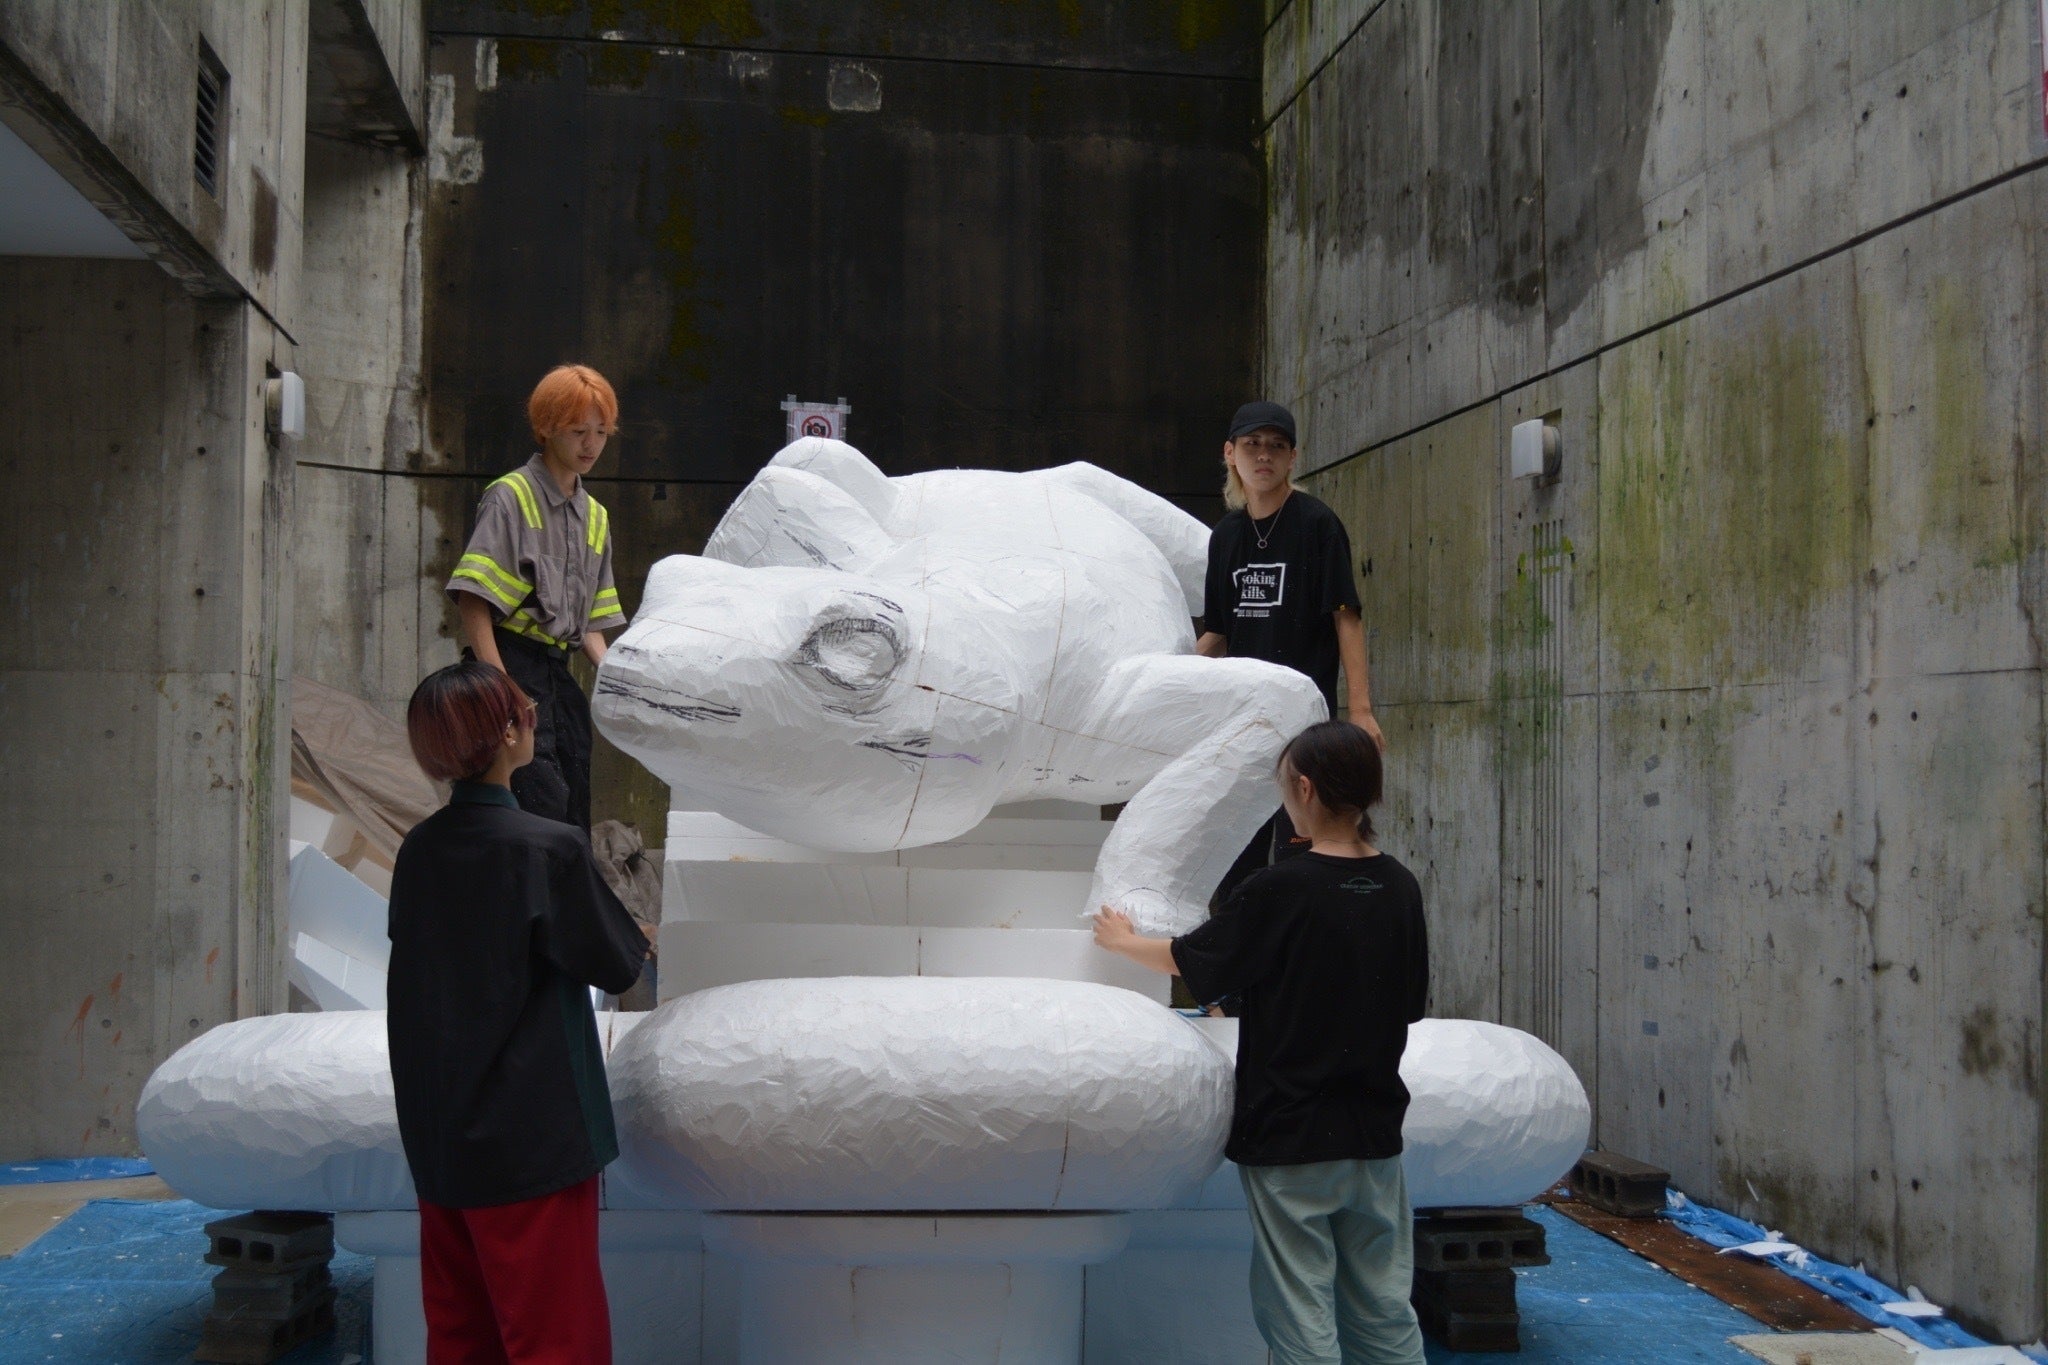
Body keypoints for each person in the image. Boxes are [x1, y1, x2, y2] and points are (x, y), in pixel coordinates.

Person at [1093, 720, 1428, 1365]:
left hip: (1291, 1133)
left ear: (1304, 788)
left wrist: (1122, 941)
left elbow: (1195, 961)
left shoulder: (1280, 887)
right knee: (1384, 1306)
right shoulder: (1400, 886)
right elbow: (1406, 1005)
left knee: (1300, 1309)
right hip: (1375, 1131)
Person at [387, 660, 650, 1363]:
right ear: (509, 733)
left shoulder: (418, 850)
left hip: (439, 1133)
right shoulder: (549, 848)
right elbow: (617, 962)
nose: (535, 717)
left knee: (461, 1333)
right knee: (556, 1339)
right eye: (525, 709)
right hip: (530, 1137)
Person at [1199, 399, 1380, 896]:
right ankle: (1246, 943)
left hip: (1304, 726)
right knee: (1238, 861)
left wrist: (1361, 712)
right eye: (1252, 444)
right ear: (1230, 453)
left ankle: (1302, 940)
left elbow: (1345, 615)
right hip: (1244, 722)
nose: (1264, 455)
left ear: (1292, 458)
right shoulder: (1226, 536)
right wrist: (1164, 677)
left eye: (1277, 446)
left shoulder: (1317, 524)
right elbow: (1218, 632)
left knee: (1303, 854)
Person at [448, 363, 627, 830]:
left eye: (601, 432)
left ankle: (566, 878)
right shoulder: (509, 496)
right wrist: (501, 687)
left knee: (573, 797)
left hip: (558, 673)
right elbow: (473, 598)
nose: (591, 445)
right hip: (508, 663)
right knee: (531, 804)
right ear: (546, 427)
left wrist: (616, 675)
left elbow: (591, 622)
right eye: (579, 431)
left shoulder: (596, 516)